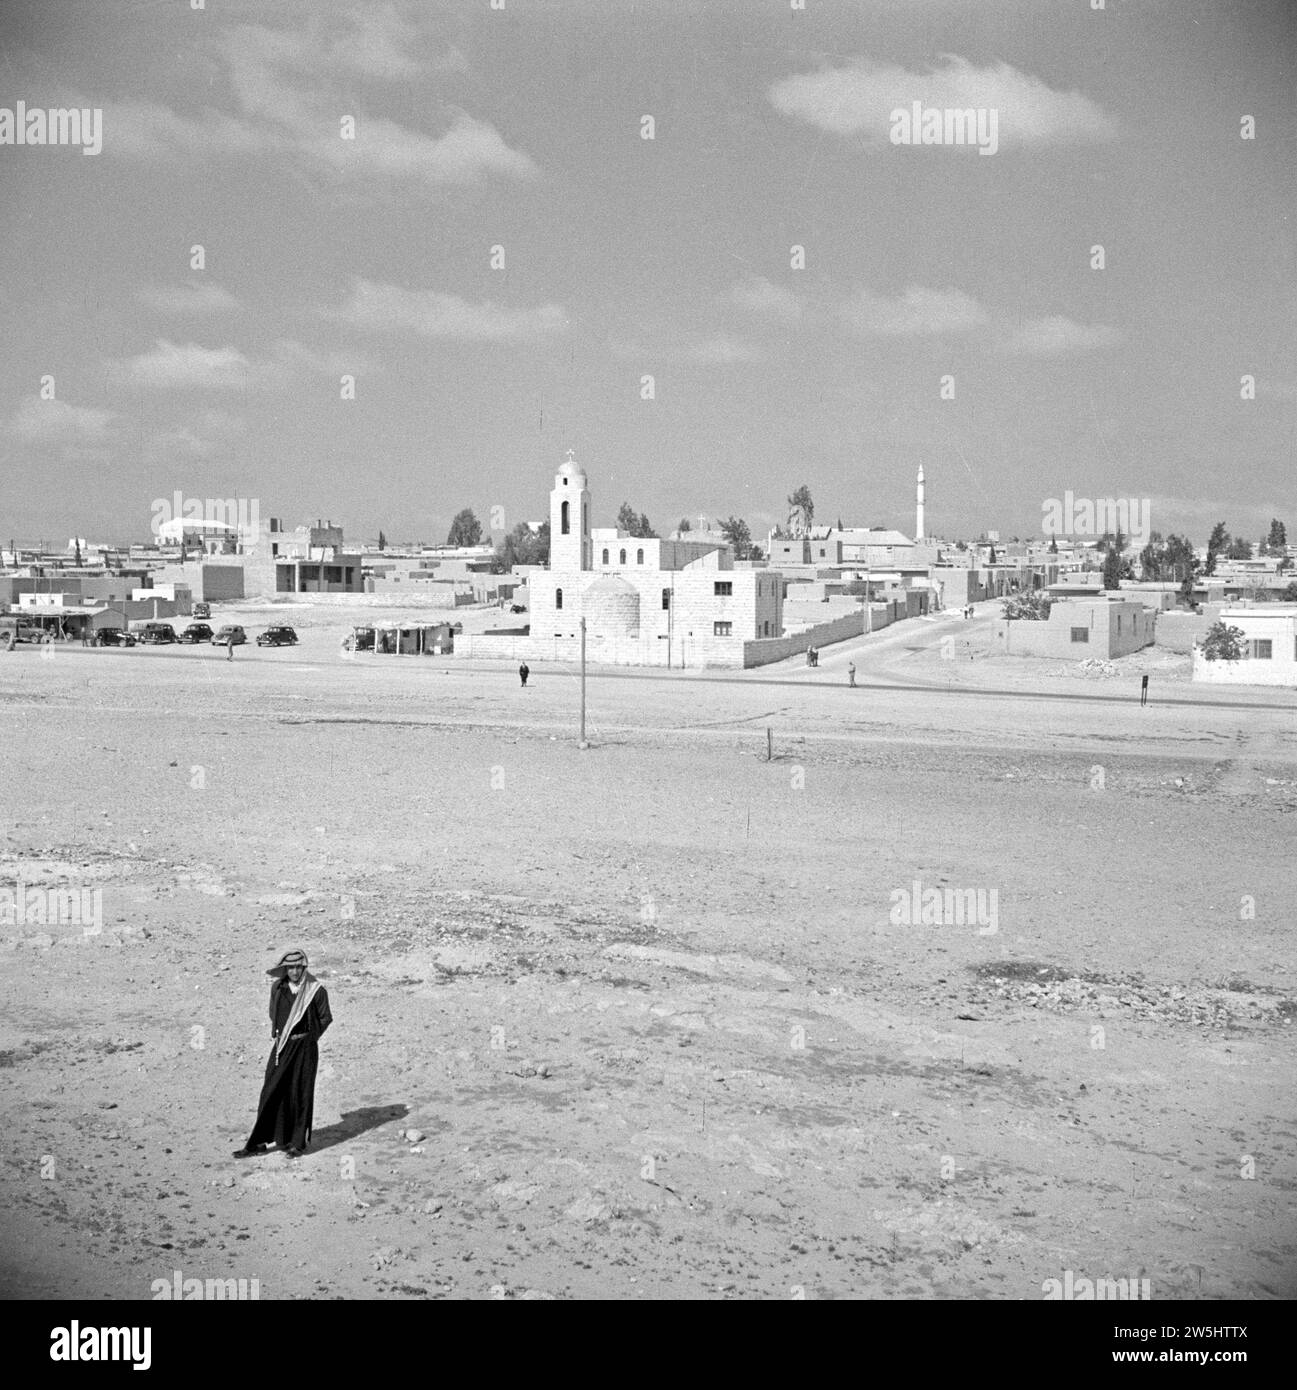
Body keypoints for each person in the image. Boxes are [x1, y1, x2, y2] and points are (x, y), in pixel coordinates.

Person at [235, 950, 332, 1160]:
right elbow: (274, 1013)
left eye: (298, 967)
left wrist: (308, 1038)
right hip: (282, 1046)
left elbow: (325, 1018)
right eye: (291, 968)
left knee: (301, 1092)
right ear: (285, 970)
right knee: (270, 1089)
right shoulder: (278, 988)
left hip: (305, 1048)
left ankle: (297, 1143)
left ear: (304, 968)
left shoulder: (315, 991)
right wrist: (282, 1034)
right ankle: (259, 1142)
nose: (295, 971)